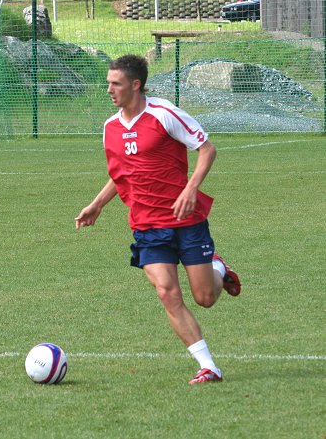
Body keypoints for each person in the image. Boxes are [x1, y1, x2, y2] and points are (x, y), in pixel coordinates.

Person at [75, 54, 241, 384]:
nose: (109, 89)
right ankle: (208, 366)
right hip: (147, 226)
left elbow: (206, 149)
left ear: (135, 85)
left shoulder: (163, 114)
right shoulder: (110, 128)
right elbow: (122, 174)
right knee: (167, 293)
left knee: (205, 298)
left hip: (186, 219)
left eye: (115, 83)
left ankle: (218, 268)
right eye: (109, 82)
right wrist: (96, 205)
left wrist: (192, 187)